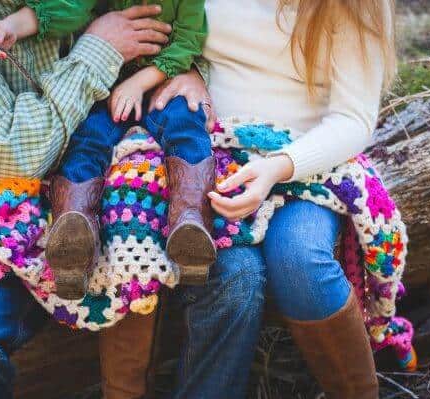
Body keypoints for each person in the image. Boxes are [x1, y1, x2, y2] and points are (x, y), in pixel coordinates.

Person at [0, 0, 177, 397]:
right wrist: (100, 49)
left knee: (218, 284)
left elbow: (185, 28)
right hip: (2, 224)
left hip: (121, 198)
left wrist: (191, 72)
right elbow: (11, 160)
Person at [148, 0, 397, 397]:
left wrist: (279, 167)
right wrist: (188, 70)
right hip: (211, 154)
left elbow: (355, 118)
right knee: (232, 272)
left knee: (299, 260)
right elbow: (169, 28)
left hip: (307, 162)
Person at [0, 0, 215, 300]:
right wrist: (11, 27)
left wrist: (140, 83)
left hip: (163, 81)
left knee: (186, 127)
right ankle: (73, 236)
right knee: (88, 138)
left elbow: (188, 41)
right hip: (110, 81)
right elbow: (67, 8)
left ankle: (191, 223)